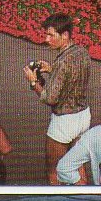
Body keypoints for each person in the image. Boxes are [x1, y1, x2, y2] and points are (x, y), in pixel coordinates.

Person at [22, 13, 91, 184]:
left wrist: (33, 81)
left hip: (64, 122)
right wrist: (52, 70)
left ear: (65, 35)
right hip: (83, 116)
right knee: (76, 166)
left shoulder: (62, 62)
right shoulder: (81, 52)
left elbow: (49, 98)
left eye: (51, 35)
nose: (47, 39)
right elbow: (72, 78)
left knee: (54, 170)